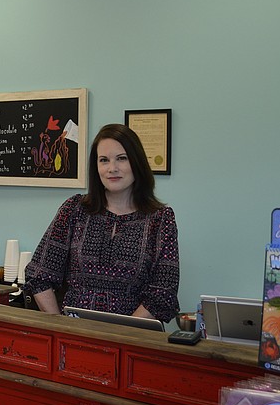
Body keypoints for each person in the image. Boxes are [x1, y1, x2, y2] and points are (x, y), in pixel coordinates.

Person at [22, 123, 180, 322]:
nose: (112, 168)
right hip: (76, 336)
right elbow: (39, 275)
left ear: (137, 162)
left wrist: (123, 333)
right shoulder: (74, 209)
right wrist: (60, 327)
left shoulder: (160, 218)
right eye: (104, 160)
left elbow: (163, 292)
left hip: (134, 339)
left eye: (122, 159)